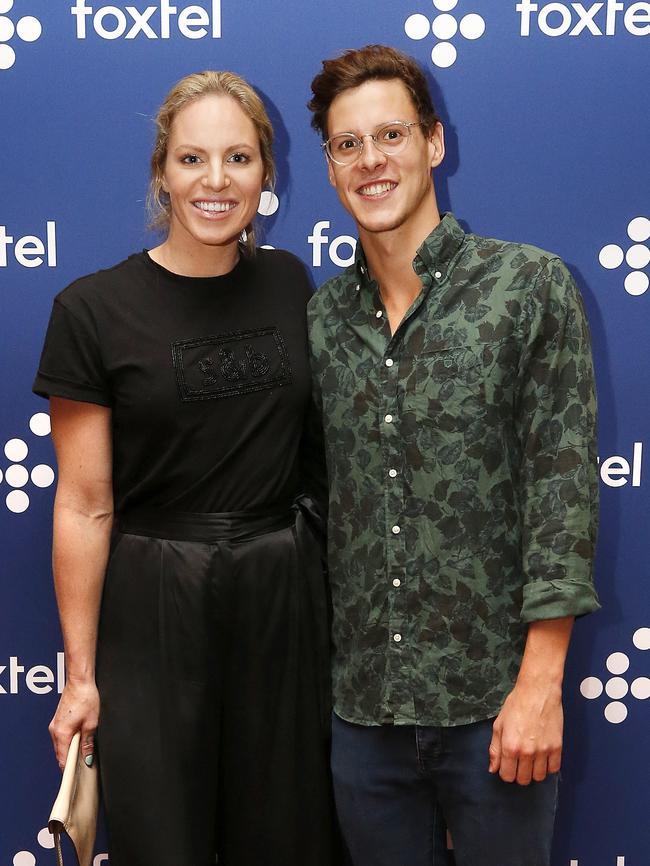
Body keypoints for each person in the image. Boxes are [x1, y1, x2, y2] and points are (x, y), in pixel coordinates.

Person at [307, 44, 600, 866]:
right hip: (364, 720)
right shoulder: (322, 321)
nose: (372, 160)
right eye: (347, 144)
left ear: (434, 143)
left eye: (391, 134)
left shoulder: (529, 287)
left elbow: (562, 488)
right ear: (330, 167)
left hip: (496, 711)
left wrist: (541, 686)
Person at [34, 70, 335, 866]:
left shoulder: (287, 282)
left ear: (267, 173)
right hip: (155, 605)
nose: (215, 181)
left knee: (291, 839)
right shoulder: (90, 311)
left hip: (281, 598)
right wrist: (81, 676)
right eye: (192, 159)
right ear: (161, 173)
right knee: (166, 841)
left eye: (238, 158)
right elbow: (85, 506)